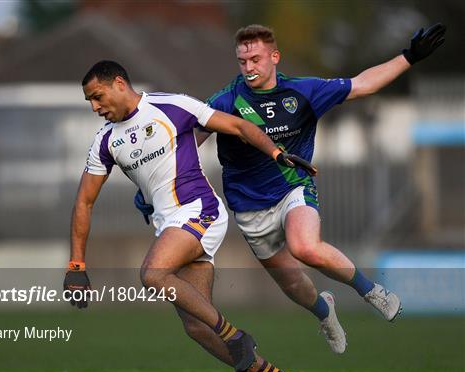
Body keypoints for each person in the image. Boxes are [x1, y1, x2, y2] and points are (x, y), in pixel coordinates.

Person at [135, 23, 446, 354]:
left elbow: (363, 85)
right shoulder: (226, 101)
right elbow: (186, 147)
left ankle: (372, 292)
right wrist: (154, 187)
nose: (249, 67)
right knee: (294, 283)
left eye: (255, 59)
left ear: (274, 57)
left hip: (293, 189)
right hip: (249, 207)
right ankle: (325, 313)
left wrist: (409, 57)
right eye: (242, 61)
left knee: (306, 247)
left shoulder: (303, 92)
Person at [63, 60, 311, 372]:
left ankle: (235, 334)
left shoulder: (172, 106)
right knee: (196, 326)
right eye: (89, 101)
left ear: (119, 83)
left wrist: (276, 153)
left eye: (97, 97)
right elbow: (84, 203)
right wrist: (76, 265)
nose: (95, 107)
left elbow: (237, 126)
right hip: (170, 227)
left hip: (200, 211)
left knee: (153, 273)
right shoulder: (106, 141)